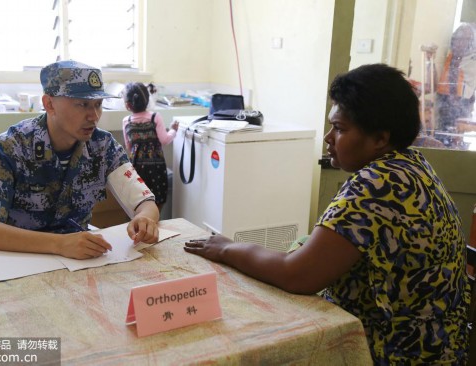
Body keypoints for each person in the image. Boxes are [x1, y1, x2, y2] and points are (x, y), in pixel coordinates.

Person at [184, 64, 470, 364]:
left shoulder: (378, 184)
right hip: (441, 347)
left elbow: (297, 274)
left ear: (380, 138)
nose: (328, 137)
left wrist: (227, 247)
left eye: (341, 129)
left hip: (396, 352)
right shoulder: (413, 164)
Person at [0, 60, 160, 260]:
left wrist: (145, 218)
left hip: (79, 262)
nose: (94, 116)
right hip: (19, 260)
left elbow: (144, 201)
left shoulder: (102, 146)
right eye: (82, 104)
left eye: (98, 104)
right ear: (49, 104)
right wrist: (59, 244)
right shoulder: (12, 146)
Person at [122, 82, 178, 208]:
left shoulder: (127, 121)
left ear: (127, 105)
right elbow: (165, 140)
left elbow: (128, 147)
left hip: (137, 168)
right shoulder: (155, 117)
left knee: (139, 201)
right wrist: (174, 130)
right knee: (158, 199)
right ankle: (155, 223)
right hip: (156, 168)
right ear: (147, 100)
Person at [436, 23, 476, 133]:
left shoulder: (472, 59)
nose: (462, 42)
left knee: (459, 135)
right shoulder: (450, 56)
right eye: (459, 39)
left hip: (463, 104)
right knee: (443, 132)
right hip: (445, 101)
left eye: (467, 39)